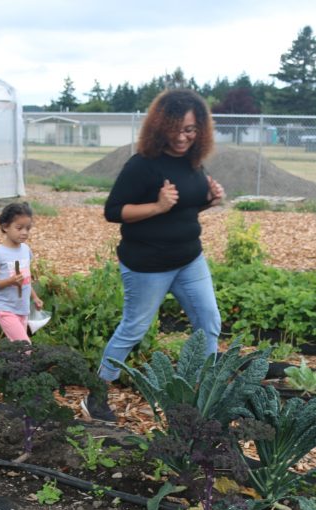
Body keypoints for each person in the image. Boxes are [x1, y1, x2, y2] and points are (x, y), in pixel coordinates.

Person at [81, 89, 224, 423]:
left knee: (209, 322)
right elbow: (113, 211)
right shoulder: (142, 165)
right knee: (134, 328)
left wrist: (209, 200)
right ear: (161, 127)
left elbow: (183, 206)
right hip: (147, 265)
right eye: (176, 129)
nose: (182, 136)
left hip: (189, 260)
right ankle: (96, 397)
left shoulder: (193, 162)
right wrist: (157, 206)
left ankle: (199, 400)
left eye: (190, 130)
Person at [0, 201, 43, 343]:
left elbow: (26, 279)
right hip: (6, 309)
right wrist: (9, 281)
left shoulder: (25, 250)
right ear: (5, 227)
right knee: (25, 346)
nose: (24, 232)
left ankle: (10, 365)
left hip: (23, 309)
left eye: (28, 228)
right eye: (19, 228)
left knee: (18, 349)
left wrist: (35, 297)